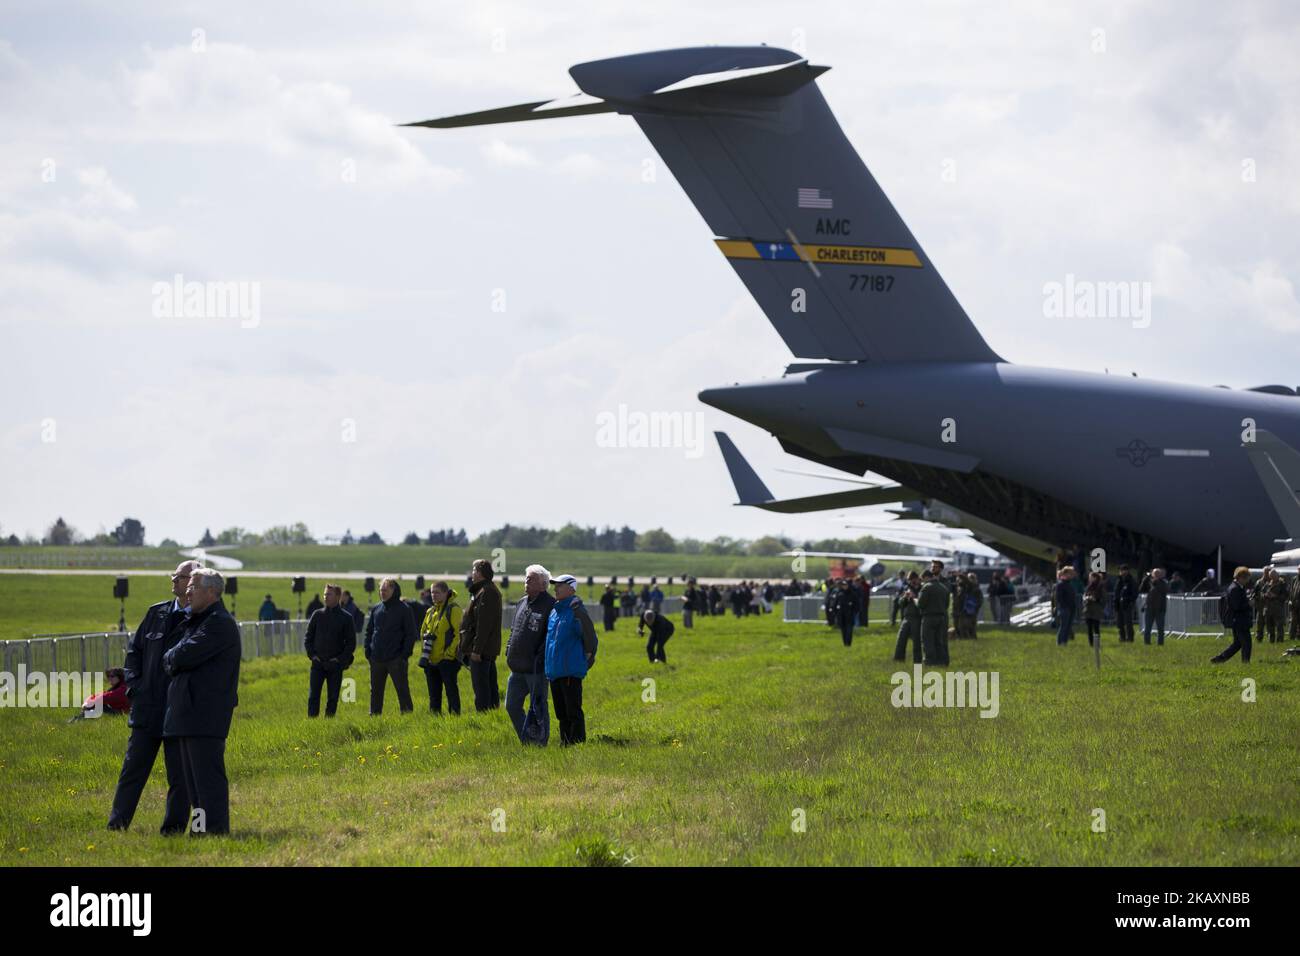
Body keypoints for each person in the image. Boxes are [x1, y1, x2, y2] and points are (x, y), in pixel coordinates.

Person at [108, 559, 197, 833]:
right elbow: (134, 654)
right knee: (132, 771)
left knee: (179, 776)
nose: (174, 581)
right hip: (147, 709)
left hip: (178, 711)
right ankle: (116, 825)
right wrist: (135, 689)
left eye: (180, 577)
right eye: (174, 575)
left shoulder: (200, 619)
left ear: (194, 582)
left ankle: (172, 829)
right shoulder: (155, 613)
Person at [163, 567, 241, 836]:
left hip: (205, 715)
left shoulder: (218, 622)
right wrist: (174, 658)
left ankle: (215, 831)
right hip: (188, 713)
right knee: (193, 784)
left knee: (207, 781)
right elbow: (169, 656)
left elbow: (180, 657)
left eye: (193, 586)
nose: (187, 590)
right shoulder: (197, 621)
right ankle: (199, 831)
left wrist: (174, 658)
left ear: (211, 592)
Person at [505, 565, 556, 746]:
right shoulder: (521, 602)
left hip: (536, 669)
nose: (527, 581)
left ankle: (541, 742)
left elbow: (551, 635)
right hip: (517, 667)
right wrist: (509, 648)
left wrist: (540, 656)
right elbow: (514, 630)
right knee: (511, 705)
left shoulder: (550, 605)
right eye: (526, 577)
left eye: (531, 578)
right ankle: (527, 740)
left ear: (543, 584)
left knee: (539, 707)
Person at [544, 574, 598, 745]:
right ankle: (565, 742)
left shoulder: (577, 611)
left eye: (560, 585)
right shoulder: (554, 612)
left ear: (571, 588)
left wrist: (587, 657)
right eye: (555, 585)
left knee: (572, 710)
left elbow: (590, 637)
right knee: (560, 712)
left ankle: (578, 743)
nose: (555, 588)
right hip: (555, 670)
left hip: (570, 670)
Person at [364, 577, 417, 715]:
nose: (383, 593)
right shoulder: (376, 609)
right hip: (376, 658)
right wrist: (368, 651)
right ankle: (374, 718)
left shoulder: (404, 609)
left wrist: (404, 655)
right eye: (381, 590)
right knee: (375, 692)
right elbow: (369, 631)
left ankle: (407, 718)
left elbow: (410, 634)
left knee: (402, 691)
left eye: (386, 590)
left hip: (396, 659)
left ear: (394, 590)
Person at [304, 584, 356, 718]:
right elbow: (308, 638)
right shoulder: (317, 615)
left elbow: (351, 644)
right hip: (317, 664)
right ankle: (312, 725)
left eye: (329, 594)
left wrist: (339, 660)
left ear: (338, 597)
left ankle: (329, 724)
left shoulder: (346, 618)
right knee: (313, 697)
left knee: (333, 699)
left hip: (335, 665)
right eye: (325, 594)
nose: (326, 597)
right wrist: (313, 656)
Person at [460, 558, 503, 712]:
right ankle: (491, 714)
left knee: (482, 687)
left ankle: (485, 715)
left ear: (480, 572)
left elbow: (484, 625)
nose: (472, 574)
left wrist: (477, 650)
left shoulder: (488, 592)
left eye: (474, 570)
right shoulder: (481, 590)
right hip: (480, 648)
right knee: (486, 685)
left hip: (482, 651)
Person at [418, 581, 463, 714]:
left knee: (451, 693)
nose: (434, 595)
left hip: (447, 660)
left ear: (446, 593)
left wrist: (449, 654)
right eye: (432, 592)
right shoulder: (430, 611)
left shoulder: (454, 609)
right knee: (434, 696)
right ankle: (435, 721)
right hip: (431, 660)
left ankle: (455, 719)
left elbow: (459, 634)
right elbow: (422, 633)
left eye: (437, 592)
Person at [1212, 567, 1254, 664]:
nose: (1248, 581)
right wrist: (1249, 604)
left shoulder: (1237, 587)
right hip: (1239, 621)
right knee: (1246, 643)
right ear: (1241, 577)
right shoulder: (1235, 588)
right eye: (1247, 578)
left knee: (1238, 643)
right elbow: (1236, 606)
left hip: (1238, 620)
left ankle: (1219, 659)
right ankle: (1245, 663)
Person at [917, 569, 950, 665]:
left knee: (927, 641)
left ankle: (930, 661)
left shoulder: (926, 587)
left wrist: (915, 600)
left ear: (926, 577)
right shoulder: (944, 588)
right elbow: (946, 604)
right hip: (941, 618)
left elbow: (921, 604)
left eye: (923, 579)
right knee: (939, 641)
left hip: (929, 618)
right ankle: (942, 661)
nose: (922, 582)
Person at [893, 572, 922, 663]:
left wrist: (914, 597)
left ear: (917, 579)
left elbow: (923, 603)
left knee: (916, 641)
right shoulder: (906, 588)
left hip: (917, 618)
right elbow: (900, 603)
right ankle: (898, 659)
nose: (911, 581)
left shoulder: (923, 588)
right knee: (901, 639)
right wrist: (905, 597)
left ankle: (917, 661)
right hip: (906, 617)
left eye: (913, 579)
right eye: (910, 579)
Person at [1259, 566, 1288, 644]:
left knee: (1279, 626)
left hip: (1278, 609)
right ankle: (1271, 641)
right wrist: (1266, 595)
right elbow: (1261, 593)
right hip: (1268, 609)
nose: (1272, 578)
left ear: (1277, 575)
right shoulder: (1267, 584)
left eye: (1274, 576)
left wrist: (1275, 596)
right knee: (1269, 626)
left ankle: (1280, 641)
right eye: (1271, 577)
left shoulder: (1282, 584)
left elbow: (1285, 596)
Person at [1143, 567, 1169, 645]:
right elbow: (1141, 588)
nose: (1157, 575)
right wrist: (1146, 579)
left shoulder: (1163, 583)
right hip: (1149, 608)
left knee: (1160, 628)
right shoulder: (1148, 582)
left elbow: (1164, 590)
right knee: (1147, 627)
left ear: (1161, 575)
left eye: (1158, 574)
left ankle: (1160, 643)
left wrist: (1155, 582)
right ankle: (1147, 642)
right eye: (1155, 574)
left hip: (1160, 608)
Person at [1054, 567, 1078, 646]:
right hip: (1064, 608)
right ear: (1065, 574)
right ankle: (1060, 642)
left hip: (1071, 608)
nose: (1071, 576)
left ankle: (1064, 642)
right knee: (1063, 626)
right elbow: (1059, 598)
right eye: (1070, 574)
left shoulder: (1070, 584)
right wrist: (1064, 606)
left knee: (1068, 626)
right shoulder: (1060, 585)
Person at [832, 579, 860, 647]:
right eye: (843, 585)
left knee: (849, 630)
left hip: (849, 615)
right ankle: (845, 643)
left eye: (846, 585)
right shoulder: (839, 593)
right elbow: (835, 604)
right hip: (841, 615)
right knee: (843, 630)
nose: (844, 586)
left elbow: (857, 605)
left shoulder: (852, 594)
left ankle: (849, 643)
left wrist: (854, 612)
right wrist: (835, 612)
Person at [1114, 565, 1138, 642]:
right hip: (1119, 604)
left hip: (1127, 604)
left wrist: (1129, 600)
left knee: (1128, 622)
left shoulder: (1131, 581)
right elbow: (1116, 592)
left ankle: (1130, 638)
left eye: (1123, 570)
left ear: (1127, 571)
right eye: (1120, 570)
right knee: (1120, 622)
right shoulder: (1119, 580)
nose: (1121, 572)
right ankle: (1122, 637)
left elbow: (1134, 593)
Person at [1083, 571, 1105, 647]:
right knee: (1089, 628)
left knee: (1096, 628)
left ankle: (1097, 643)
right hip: (1088, 609)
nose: (1090, 579)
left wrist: (1095, 598)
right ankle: (1091, 643)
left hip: (1096, 610)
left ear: (1095, 578)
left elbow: (1103, 598)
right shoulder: (1088, 586)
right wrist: (1086, 598)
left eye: (1091, 577)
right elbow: (1085, 594)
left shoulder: (1100, 586)